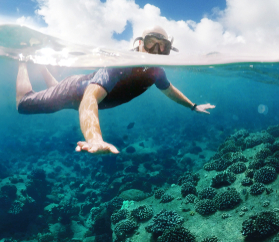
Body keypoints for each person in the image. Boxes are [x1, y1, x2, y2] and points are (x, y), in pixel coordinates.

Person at [15, 26, 215, 154]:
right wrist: (94, 139)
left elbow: (169, 90)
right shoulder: (119, 66)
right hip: (72, 91)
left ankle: (42, 67)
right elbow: (89, 98)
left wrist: (192, 105)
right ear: (139, 44)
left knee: (55, 90)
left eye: (163, 48)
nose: (157, 52)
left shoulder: (156, 71)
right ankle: (23, 61)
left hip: (76, 86)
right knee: (23, 104)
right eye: (151, 44)